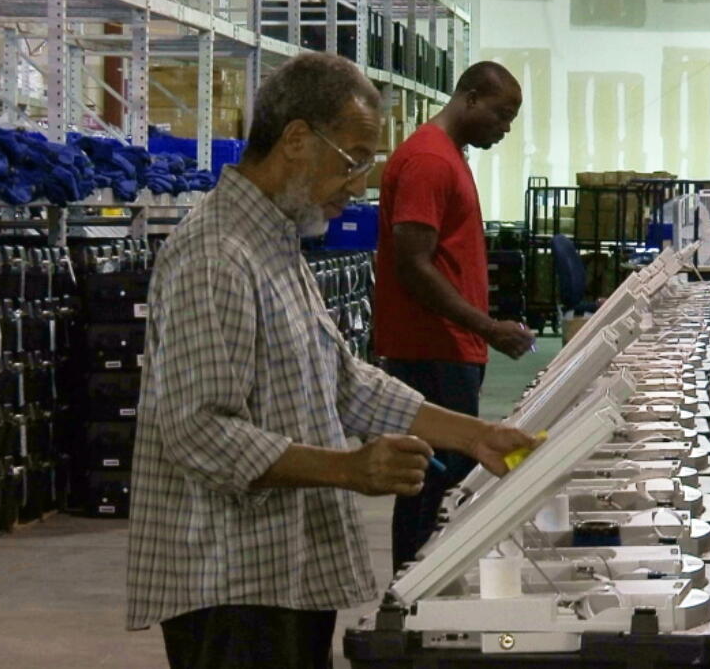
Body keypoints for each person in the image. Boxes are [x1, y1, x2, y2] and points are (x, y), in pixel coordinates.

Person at [126, 52, 534, 669]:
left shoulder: (276, 244)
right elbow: (199, 430)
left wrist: (476, 436)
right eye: (354, 158)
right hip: (230, 580)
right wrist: (348, 469)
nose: (361, 183)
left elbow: (342, 380)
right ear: (295, 140)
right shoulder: (216, 256)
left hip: (282, 571)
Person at [372, 61, 536, 572]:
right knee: (434, 482)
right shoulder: (429, 161)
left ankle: (420, 590)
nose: (505, 128)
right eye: (501, 114)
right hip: (431, 348)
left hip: (448, 346)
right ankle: (411, 598)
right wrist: (486, 327)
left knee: (440, 481)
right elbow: (413, 266)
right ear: (468, 98)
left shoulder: (448, 155)